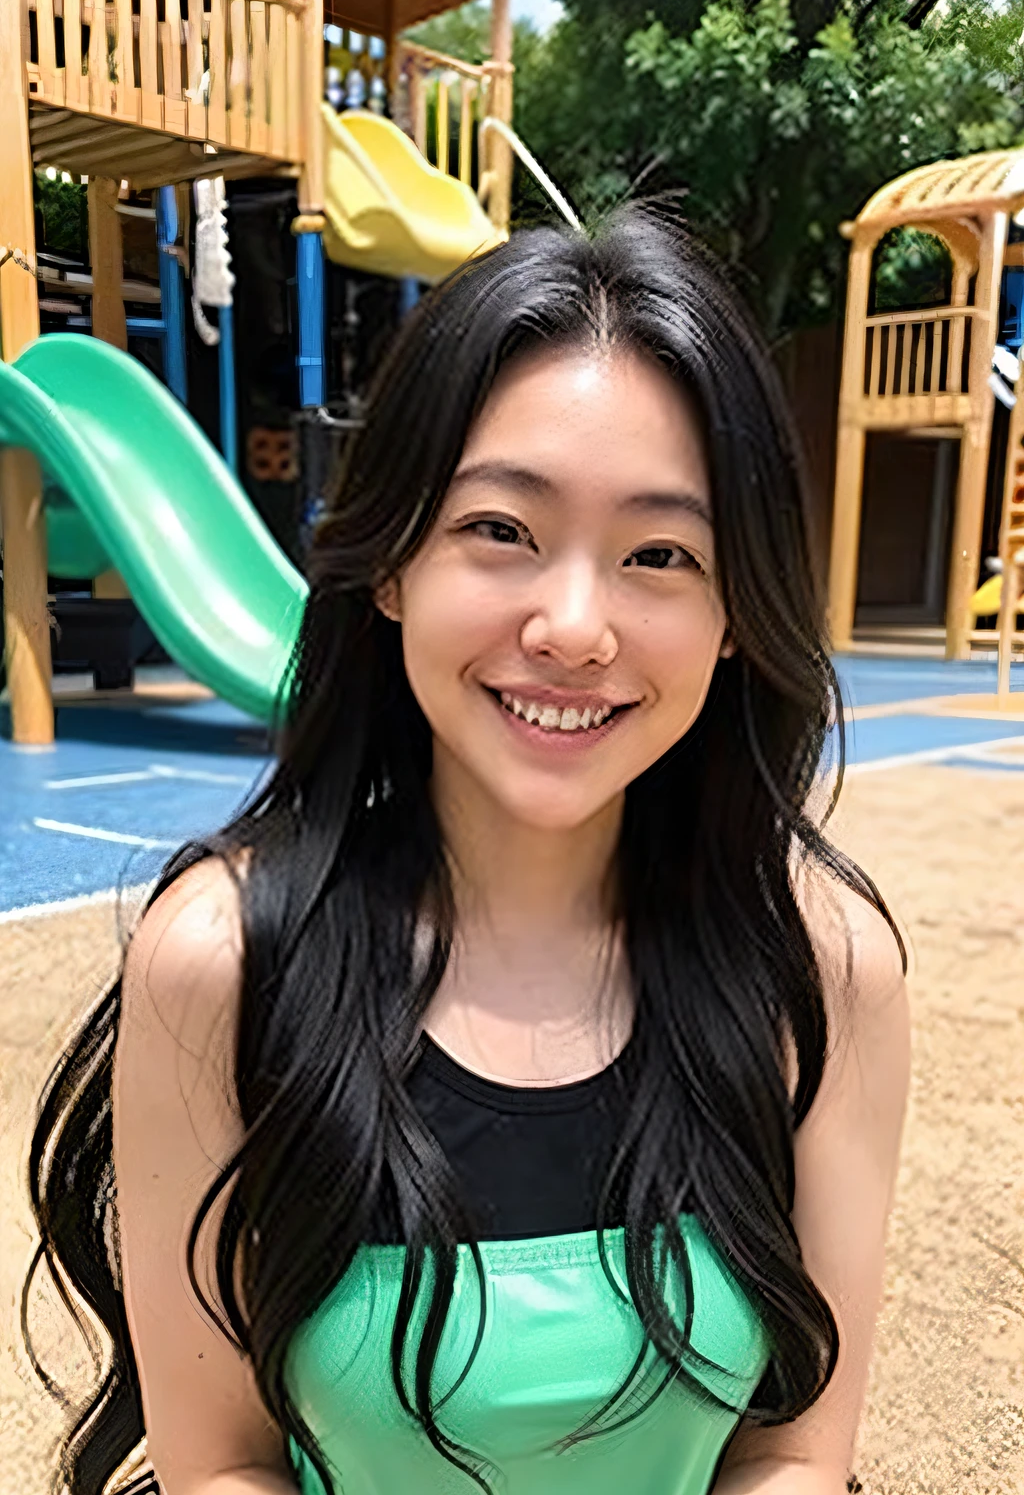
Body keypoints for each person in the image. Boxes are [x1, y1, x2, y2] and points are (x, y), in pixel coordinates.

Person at [27, 206, 910, 1495]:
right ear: (390, 564)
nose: (572, 626)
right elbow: (217, 1464)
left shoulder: (819, 972)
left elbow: (796, 1451)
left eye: (661, 554)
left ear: (735, 618)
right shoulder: (223, 965)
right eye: (502, 529)